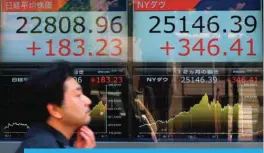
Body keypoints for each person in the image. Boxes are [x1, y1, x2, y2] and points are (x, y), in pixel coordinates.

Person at [15, 61, 96, 153]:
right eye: (78, 95)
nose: (88, 101)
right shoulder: (43, 147)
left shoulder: (45, 142)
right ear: (54, 110)